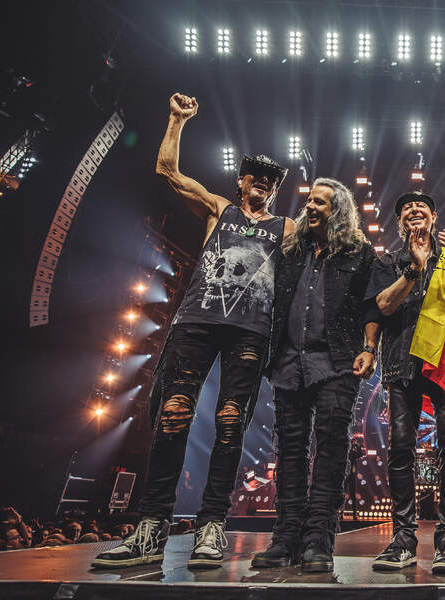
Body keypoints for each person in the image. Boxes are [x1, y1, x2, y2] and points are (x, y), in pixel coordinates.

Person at [93, 92, 294, 569]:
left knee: (230, 424)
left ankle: (212, 526)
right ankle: (151, 526)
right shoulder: (218, 207)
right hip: (197, 322)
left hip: (250, 332)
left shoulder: (286, 228)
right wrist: (176, 120)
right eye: (256, 177)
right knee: (172, 415)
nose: (262, 184)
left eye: (270, 180)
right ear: (242, 180)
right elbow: (167, 171)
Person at [250, 178, 379, 572]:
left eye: (320, 202)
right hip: (289, 361)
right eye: (309, 200)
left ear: (337, 209)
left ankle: (318, 539)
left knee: (331, 448)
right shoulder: (292, 249)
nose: (311, 206)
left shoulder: (359, 252)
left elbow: (372, 306)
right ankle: (285, 537)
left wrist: (368, 348)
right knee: (288, 450)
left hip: (337, 361)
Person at [365, 191, 445, 574]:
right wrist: (413, 269)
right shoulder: (387, 262)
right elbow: (382, 306)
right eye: (406, 209)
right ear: (400, 222)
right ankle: (403, 538)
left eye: (421, 208)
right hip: (400, 362)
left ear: (433, 217)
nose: (414, 211)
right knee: (401, 445)